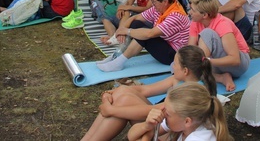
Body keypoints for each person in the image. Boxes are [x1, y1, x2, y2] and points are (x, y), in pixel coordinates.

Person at [82, 46, 217, 141]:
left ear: (185, 70)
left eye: (175, 64)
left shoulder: (193, 93)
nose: (172, 66)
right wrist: (113, 92)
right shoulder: (178, 79)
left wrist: (111, 110)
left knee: (124, 101)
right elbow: (144, 90)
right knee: (123, 92)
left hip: (172, 131)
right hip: (167, 124)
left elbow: (154, 110)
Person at [97, 0, 189, 72]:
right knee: (136, 24)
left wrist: (127, 31)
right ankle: (117, 55)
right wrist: (120, 31)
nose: (152, 4)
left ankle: (118, 62)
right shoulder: (160, 7)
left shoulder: (176, 16)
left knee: (145, 36)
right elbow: (135, 18)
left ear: (165, 2)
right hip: (165, 44)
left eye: (154, 2)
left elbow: (150, 34)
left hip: (175, 56)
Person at [127, 82, 232, 141]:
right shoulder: (183, 121)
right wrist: (147, 126)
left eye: (167, 113)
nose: (162, 113)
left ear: (187, 121)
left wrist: (146, 137)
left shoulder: (199, 138)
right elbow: (131, 136)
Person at [188, 0, 250, 92]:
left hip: (238, 65)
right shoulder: (195, 22)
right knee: (180, 62)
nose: (190, 12)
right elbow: (191, 49)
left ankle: (203, 71)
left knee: (207, 33)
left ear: (204, 15)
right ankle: (221, 77)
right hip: (216, 62)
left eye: (193, 10)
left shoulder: (222, 24)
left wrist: (206, 61)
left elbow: (235, 59)